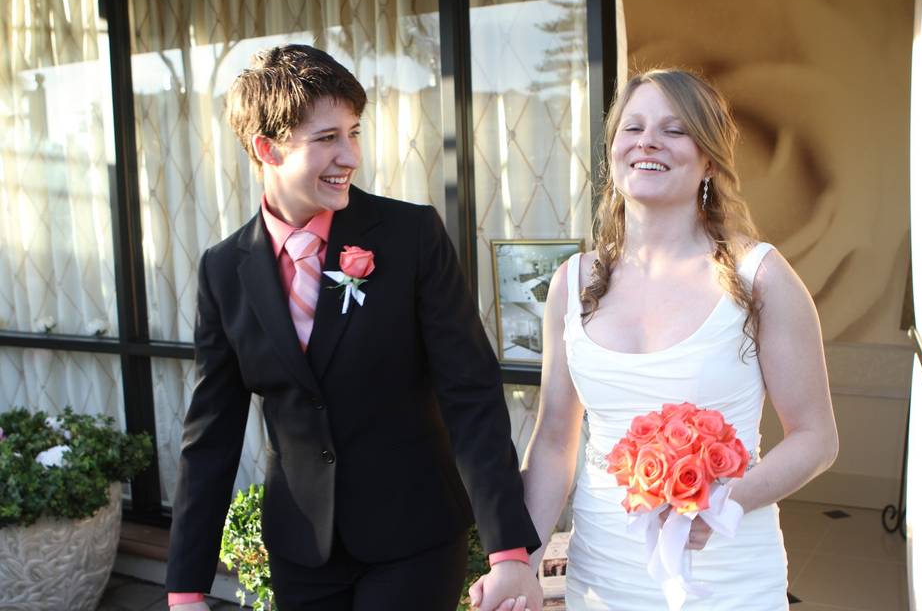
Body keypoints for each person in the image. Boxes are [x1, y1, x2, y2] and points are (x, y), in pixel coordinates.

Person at [164, 44, 542, 611]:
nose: (350, 155)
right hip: (302, 550)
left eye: (354, 132)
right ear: (267, 148)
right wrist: (186, 587)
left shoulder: (410, 235)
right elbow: (211, 434)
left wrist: (508, 551)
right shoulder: (224, 270)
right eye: (326, 138)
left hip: (413, 537)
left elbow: (469, 391)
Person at [492, 69, 839, 610]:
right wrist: (523, 563)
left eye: (674, 130)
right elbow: (557, 442)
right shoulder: (571, 283)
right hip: (603, 577)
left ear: (708, 159)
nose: (648, 141)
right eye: (633, 128)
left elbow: (816, 438)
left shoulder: (760, 276)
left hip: (726, 575)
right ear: (613, 151)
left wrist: (724, 501)